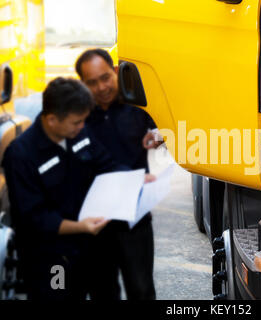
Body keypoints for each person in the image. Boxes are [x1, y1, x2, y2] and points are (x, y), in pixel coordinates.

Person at [2, 77, 126, 300]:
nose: (82, 127)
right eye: (76, 122)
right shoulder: (21, 155)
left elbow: (105, 162)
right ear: (51, 119)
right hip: (52, 260)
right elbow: (33, 218)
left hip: (92, 249)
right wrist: (80, 227)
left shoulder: (78, 131)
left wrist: (135, 178)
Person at [75, 49, 160, 300]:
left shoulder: (138, 103)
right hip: (95, 220)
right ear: (82, 83)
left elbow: (167, 127)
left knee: (141, 289)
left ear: (114, 72)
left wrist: (159, 135)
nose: (101, 87)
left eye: (105, 78)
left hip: (134, 217)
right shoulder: (76, 115)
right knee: (102, 290)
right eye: (92, 82)